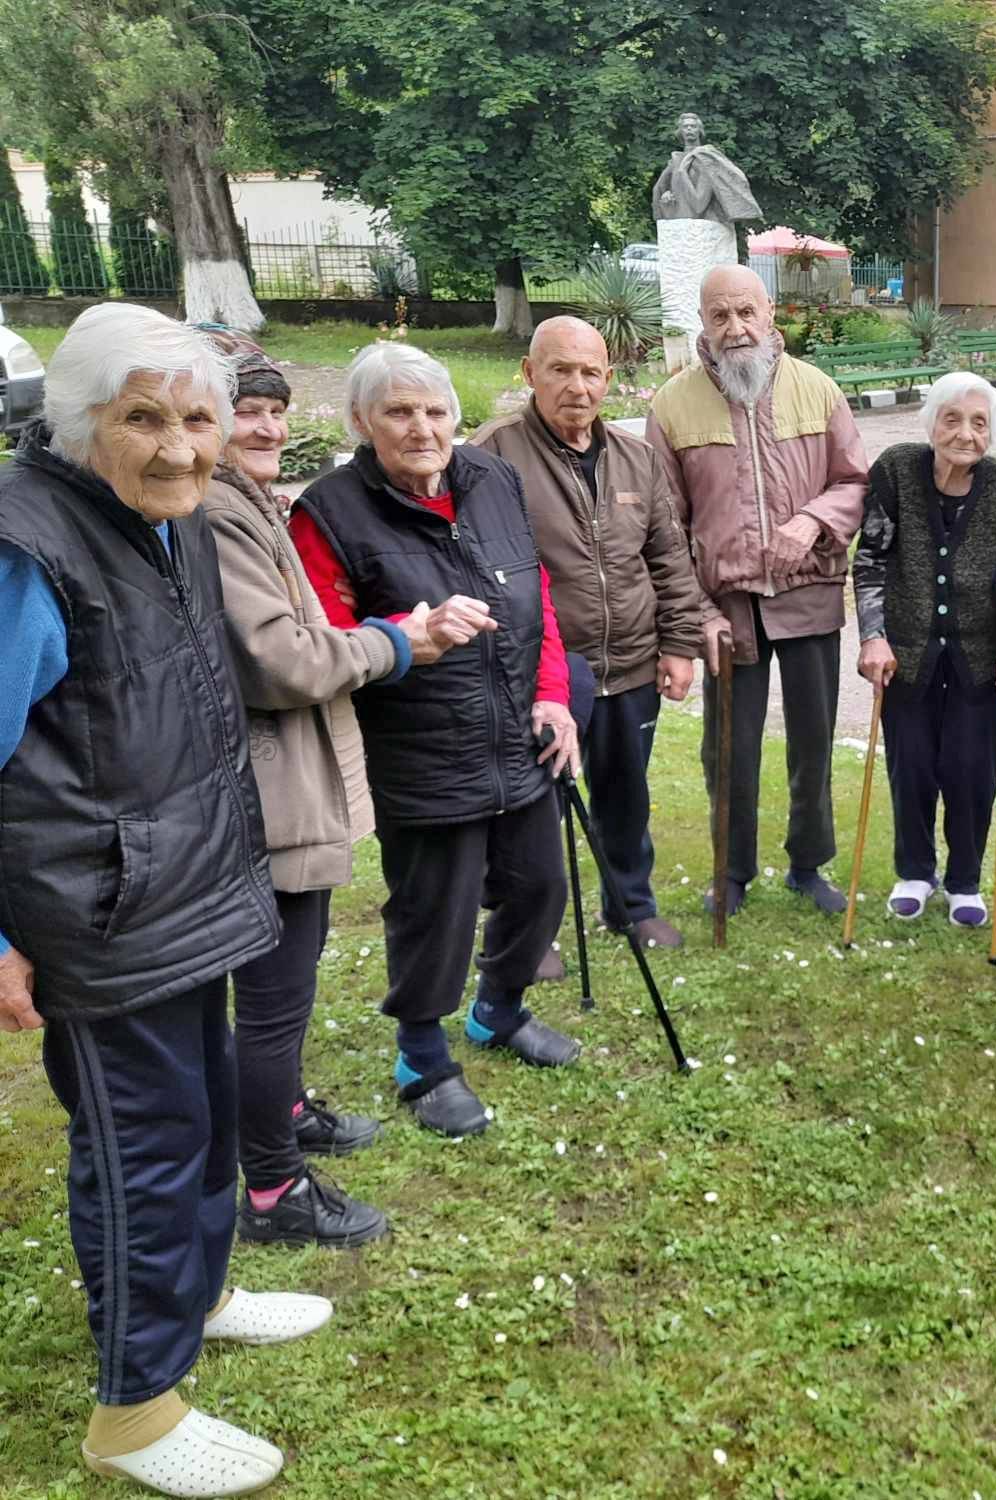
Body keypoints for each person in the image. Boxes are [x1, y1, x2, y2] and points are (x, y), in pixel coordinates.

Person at [0, 304, 334, 1496]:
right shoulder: (25, 547)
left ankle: (201, 1296)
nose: (184, 446)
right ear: (80, 423)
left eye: (198, 416)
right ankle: (135, 1412)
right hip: (95, 911)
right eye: (146, 418)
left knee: (192, 1124)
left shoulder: (165, 518)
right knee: (140, 1148)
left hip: (184, 884)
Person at [202, 332, 468, 1247]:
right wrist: (398, 642)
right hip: (263, 789)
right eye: (244, 408)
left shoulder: (247, 501)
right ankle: (274, 1189)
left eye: (276, 408)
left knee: (292, 979)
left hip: (284, 777)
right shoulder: (215, 511)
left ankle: (282, 1113)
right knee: (273, 992)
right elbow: (283, 659)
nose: (266, 424)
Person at [290, 342, 584, 1138]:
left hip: (517, 732)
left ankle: (499, 1010)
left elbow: (537, 594)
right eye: (397, 412)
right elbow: (325, 637)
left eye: (434, 411)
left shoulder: (493, 479)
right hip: (421, 745)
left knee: (538, 886)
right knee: (436, 909)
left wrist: (554, 697)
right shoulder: (328, 511)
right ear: (360, 421)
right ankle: (421, 1053)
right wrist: (405, 631)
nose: (421, 429)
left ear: (455, 415)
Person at [471, 316, 705, 950]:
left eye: (590, 372)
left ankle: (630, 905)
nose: (577, 386)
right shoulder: (489, 457)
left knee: (626, 797)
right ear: (530, 374)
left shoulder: (638, 458)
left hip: (631, 665)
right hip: (539, 676)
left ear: (608, 379)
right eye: (561, 370)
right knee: (531, 810)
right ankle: (530, 933)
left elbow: (669, 558)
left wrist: (680, 645)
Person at [647, 265, 869, 916]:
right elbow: (664, 525)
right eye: (720, 316)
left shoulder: (818, 391)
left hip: (809, 594)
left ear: (770, 313)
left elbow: (854, 482)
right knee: (729, 750)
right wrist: (696, 614)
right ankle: (732, 871)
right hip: (726, 606)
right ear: (703, 323)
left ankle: (808, 864)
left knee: (814, 740)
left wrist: (813, 520)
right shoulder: (672, 405)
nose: (735, 328)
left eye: (746, 312)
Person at [852, 372, 996, 925]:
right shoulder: (896, 471)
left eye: (979, 422)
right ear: (931, 422)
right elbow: (871, 561)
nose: (964, 433)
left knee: (971, 768)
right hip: (906, 652)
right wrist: (873, 635)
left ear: (993, 433)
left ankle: (964, 880)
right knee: (910, 764)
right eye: (951, 419)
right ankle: (913, 871)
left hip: (981, 654)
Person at [650, 111, 763, 226]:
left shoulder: (706, 159)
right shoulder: (675, 161)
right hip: (681, 226)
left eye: (693, 126)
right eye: (685, 127)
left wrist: (683, 173)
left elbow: (699, 206)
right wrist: (666, 198)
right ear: (680, 131)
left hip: (704, 227)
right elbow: (660, 191)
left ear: (700, 130)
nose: (689, 129)